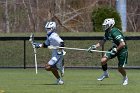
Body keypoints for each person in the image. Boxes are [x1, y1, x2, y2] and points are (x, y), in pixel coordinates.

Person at [87, 18, 128, 85]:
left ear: (111, 25)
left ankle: (125, 78)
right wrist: (94, 46)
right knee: (103, 60)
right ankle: (105, 74)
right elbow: (102, 42)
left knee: (120, 68)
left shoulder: (115, 32)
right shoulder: (107, 32)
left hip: (122, 50)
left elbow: (123, 44)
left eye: (106, 25)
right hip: (115, 48)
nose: (104, 26)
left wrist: (116, 50)